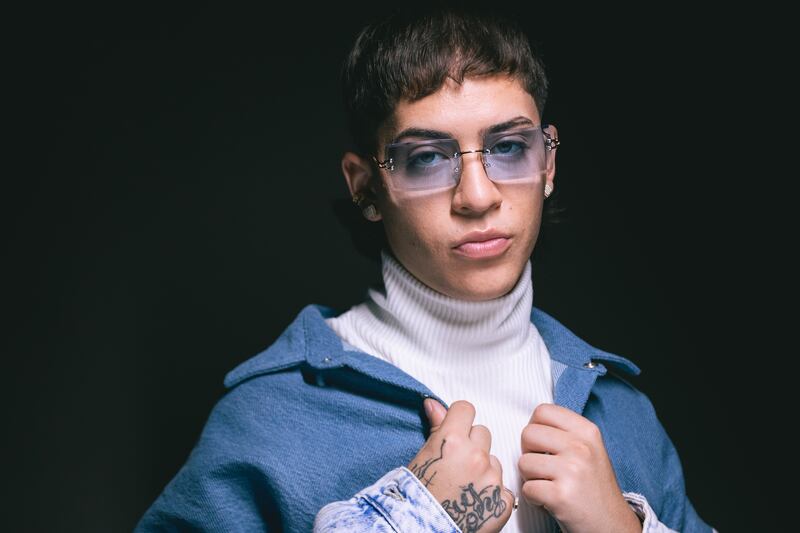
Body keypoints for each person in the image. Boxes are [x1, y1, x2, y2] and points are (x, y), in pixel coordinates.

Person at [136, 5, 715, 533]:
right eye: (428, 158)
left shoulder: (622, 415)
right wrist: (411, 521)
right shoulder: (273, 417)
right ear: (366, 186)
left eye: (509, 147)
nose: (478, 196)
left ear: (548, 165)